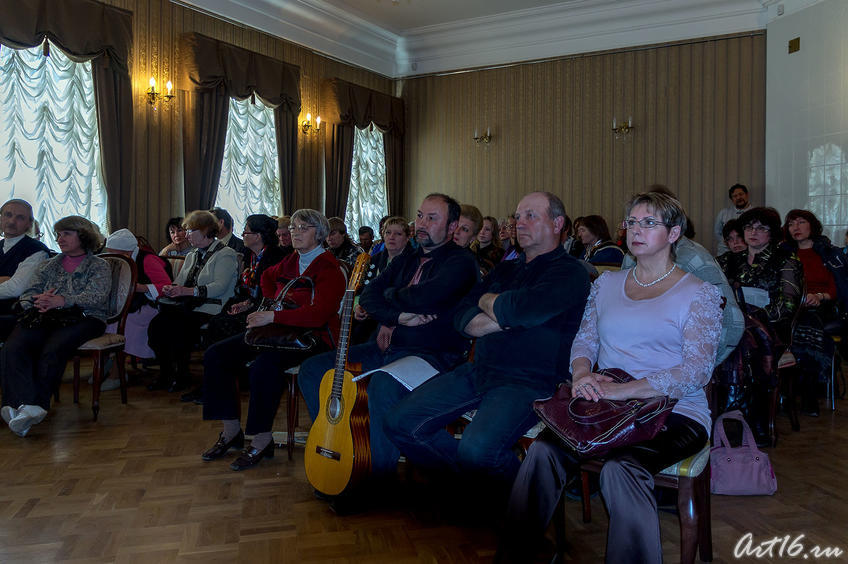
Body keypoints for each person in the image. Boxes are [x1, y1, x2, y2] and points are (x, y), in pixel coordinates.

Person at [497, 192, 723, 563]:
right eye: (631, 222)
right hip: (606, 405)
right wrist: (583, 374)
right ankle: (518, 556)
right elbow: (584, 340)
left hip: (674, 411)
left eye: (648, 223)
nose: (636, 230)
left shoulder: (698, 294)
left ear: (673, 233)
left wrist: (622, 391)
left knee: (622, 470)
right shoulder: (606, 285)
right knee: (542, 452)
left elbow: (694, 372)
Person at [386, 192, 590, 498]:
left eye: (530, 216)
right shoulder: (507, 269)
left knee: (478, 450)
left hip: (529, 381)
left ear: (558, 223)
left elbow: (519, 310)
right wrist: (502, 311)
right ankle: (478, 488)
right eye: (517, 216)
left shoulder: (571, 272)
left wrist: (499, 308)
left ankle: (527, 506)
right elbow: (462, 315)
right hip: (479, 369)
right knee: (401, 422)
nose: (519, 223)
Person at [298, 193, 479, 494]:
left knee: (382, 386)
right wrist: (398, 315)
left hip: (431, 356)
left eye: (432, 218)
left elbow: (425, 298)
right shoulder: (409, 257)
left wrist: (389, 304)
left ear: (452, 226)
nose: (421, 224)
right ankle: (336, 444)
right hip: (386, 348)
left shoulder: (461, 263)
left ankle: (372, 479)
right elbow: (368, 294)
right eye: (420, 215)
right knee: (314, 369)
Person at [201, 209, 345, 470]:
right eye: (294, 228)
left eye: (304, 228)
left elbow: (318, 315)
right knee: (215, 354)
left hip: (313, 337)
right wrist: (272, 305)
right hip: (280, 332)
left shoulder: (329, 266)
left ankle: (261, 440)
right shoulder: (291, 260)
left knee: (263, 367)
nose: (296, 232)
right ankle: (231, 430)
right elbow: (266, 277)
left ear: (320, 234)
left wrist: (273, 315)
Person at [1, 216, 111, 437]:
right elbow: (28, 293)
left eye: (66, 234)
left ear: (83, 236)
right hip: (45, 316)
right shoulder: (48, 265)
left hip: (86, 318)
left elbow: (97, 297)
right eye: (58, 234)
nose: (60, 239)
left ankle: (36, 406)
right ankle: (21, 406)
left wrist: (63, 300)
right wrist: (37, 299)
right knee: (13, 346)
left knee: (53, 347)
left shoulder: (99, 265)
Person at [718, 207, 803, 442]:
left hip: (773, 330)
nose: (753, 232)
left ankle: (740, 415)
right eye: (748, 227)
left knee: (744, 339)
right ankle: (727, 414)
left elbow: (787, 305)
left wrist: (755, 317)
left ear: (772, 233)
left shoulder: (785, 260)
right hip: (735, 327)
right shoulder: (729, 260)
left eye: (761, 228)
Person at [147, 211, 239, 392]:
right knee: (157, 325)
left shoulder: (225, 253)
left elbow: (219, 287)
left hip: (212, 307)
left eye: (190, 231)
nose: (186, 235)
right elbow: (180, 282)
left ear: (205, 230)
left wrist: (188, 291)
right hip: (189, 307)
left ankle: (182, 375)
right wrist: (171, 288)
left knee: (179, 325)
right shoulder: (193, 254)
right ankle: (166, 374)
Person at [782, 209, 848, 415]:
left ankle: (808, 390)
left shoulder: (828, 252)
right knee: (786, 325)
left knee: (807, 323)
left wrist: (820, 296)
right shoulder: (784, 252)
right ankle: (789, 391)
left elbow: (838, 288)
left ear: (812, 226)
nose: (796, 228)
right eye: (792, 224)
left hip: (823, 305)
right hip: (792, 306)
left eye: (801, 222)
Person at [100, 228, 172, 391]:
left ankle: (116, 372)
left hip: (152, 306)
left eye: (115, 253)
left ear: (127, 251)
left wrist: (138, 288)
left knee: (126, 323)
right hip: (129, 305)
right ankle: (107, 363)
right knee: (107, 319)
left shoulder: (147, 260)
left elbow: (167, 287)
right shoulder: (118, 261)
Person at [0, 199, 50, 338]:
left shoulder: (36, 251)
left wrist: (7, 281)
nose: (11, 221)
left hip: (18, 313)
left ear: (29, 223)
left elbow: (15, 288)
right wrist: (4, 279)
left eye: (20, 217)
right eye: (7, 215)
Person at [714, 183, 752, 254]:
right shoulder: (723, 213)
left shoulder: (755, 213)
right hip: (725, 251)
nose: (738, 198)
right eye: (735, 196)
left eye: (741, 194)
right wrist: (729, 244)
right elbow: (718, 233)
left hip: (749, 252)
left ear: (747, 195)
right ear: (732, 199)